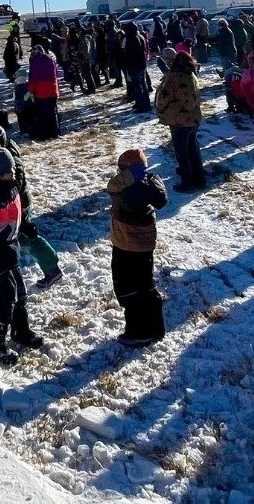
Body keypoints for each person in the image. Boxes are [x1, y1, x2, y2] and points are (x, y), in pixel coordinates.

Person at [0, 141, 42, 366]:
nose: (13, 173)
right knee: (6, 295)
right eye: (8, 171)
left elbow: (14, 214)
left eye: (12, 168)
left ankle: (20, 330)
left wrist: (25, 225)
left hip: (11, 250)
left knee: (20, 291)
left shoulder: (10, 187)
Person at [0, 126, 62, 289]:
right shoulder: (0, 156)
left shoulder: (12, 161)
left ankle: (52, 269)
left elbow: (14, 188)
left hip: (19, 207)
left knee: (28, 239)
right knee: (13, 241)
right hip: (9, 207)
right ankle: (5, 279)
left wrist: (22, 218)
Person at [107, 148, 167, 347]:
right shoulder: (151, 182)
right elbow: (160, 198)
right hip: (143, 245)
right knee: (145, 286)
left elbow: (112, 185)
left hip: (127, 245)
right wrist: (141, 172)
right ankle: (156, 328)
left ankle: (138, 332)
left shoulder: (127, 190)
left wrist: (132, 174)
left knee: (129, 290)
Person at [154, 49, 206, 191]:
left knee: (181, 152)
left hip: (179, 120)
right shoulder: (192, 75)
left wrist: (159, 110)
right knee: (192, 147)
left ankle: (187, 182)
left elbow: (163, 98)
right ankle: (199, 177)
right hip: (194, 118)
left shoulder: (173, 77)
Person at [27, 44, 60, 139]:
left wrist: (30, 91)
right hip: (53, 89)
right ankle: (55, 132)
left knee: (42, 114)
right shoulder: (50, 59)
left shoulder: (36, 62)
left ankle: (44, 135)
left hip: (41, 92)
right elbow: (56, 74)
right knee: (52, 112)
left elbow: (34, 79)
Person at [122, 21, 153, 112]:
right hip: (141, 64)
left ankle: (141, 105)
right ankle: (146, 104)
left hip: (134, 65)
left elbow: (130, 54)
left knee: (137, 86)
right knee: (143, 84)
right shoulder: (140, 37)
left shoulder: (131, 39)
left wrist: (126, 64)